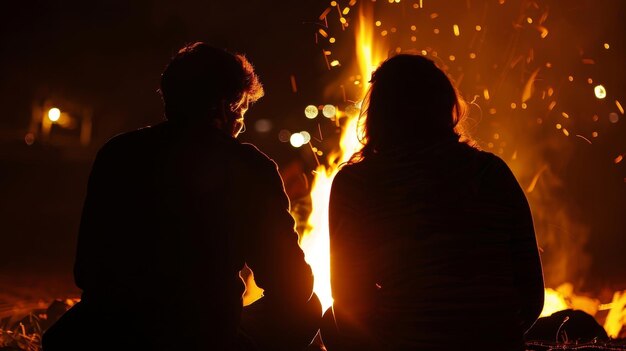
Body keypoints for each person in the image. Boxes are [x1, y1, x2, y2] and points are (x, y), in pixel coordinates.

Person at [42, 42, 321, 351]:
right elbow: (293, 285)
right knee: (308, 307)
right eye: (240, 112)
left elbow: (86, 269)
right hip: (200, 337)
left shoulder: (118, 153)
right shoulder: (248, 166)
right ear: (221, 108)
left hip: (108, 331)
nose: (240, 126)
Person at [319, 53, 544, 350]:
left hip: (407, 342)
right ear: (446, 105)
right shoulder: (492, 171)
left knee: (330, 321)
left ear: (378, 114)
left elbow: (348, 298)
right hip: (496, 342)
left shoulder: (358, 183)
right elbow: (531, 293)